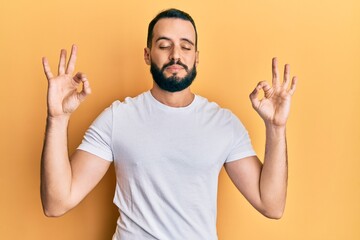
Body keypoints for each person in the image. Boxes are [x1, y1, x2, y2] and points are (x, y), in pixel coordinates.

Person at [41, 8, 297, 240]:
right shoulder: (118, 118)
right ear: (147, 54)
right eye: (164, 45)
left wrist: (276, 128)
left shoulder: (223, 124)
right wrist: (57, 119)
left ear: (196, 57)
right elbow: (56, 203)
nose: (176, 55)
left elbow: (271, 205)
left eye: (186, 47)